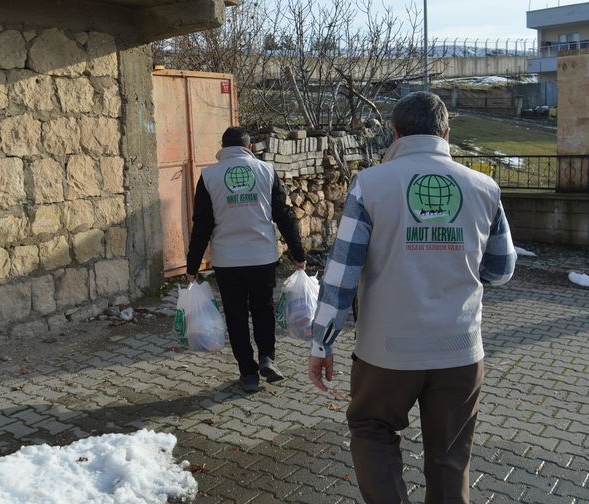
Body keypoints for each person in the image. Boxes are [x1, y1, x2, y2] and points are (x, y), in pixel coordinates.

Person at [307, 92, 517, 503]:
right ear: (446, 131)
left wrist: (322, 343)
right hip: (459, 351)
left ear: (394, 132)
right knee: (450, 457)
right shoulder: (485, 187)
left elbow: (342, 274)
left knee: (372, 431)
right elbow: (501, 270)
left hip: (386, 353)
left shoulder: (370, 184)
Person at [186, 126, 306, 393]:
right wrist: (299, 254)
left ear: (222, 148)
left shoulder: (209, 176)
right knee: (262, 309)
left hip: (228, 262)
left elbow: (202, 225)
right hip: (262, 257)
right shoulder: (266, 171)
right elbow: (284, 216)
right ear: (249, 147)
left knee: (236, 316)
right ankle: (267, 358)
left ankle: (248, 374)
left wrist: (192, 266)